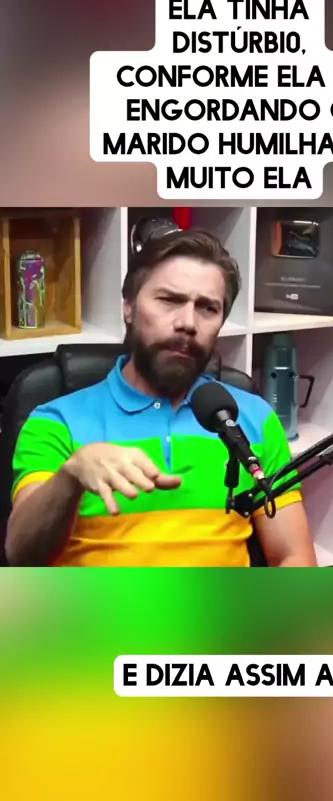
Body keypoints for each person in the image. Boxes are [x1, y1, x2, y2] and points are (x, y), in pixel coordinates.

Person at [5, 229, 317, 568]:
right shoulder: (55, 422)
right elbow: (21, 555)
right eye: (169, 300)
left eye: (208, 308)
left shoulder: (254, 417)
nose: (188, 323)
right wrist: (71, 477)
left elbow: (293, 557)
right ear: (128, 307)